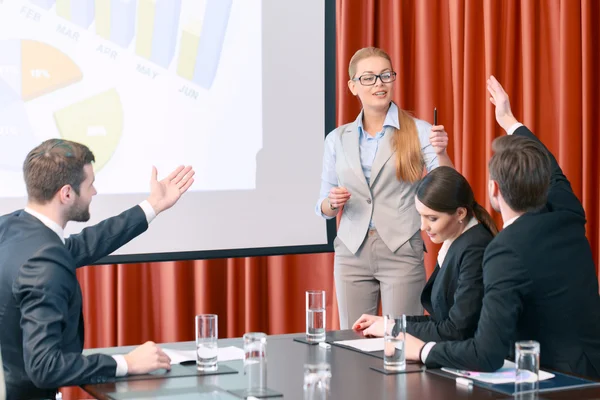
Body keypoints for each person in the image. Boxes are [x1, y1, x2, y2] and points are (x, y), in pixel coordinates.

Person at [402, 76, 600, 378]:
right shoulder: (568, 213)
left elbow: (487, 353)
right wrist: (509, 120)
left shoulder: (504, 250)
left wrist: (420, 350)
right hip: (592, 365)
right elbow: (552, 168)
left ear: (494, 190)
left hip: (553, 378)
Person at [0, 139, 195, 399]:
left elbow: (82, 246)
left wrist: (153, 206)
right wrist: (126, 364)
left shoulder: (11, 229)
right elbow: (44, 367)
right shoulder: (44, 261)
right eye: (90, 184)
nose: (94, 192)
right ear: (66, 193)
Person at [316, 47, 454, 329]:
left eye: (385, 75)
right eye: (368, 78)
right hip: (351, 252)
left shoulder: (419, 130)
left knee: (401, 342)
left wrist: (441, 152)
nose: (379, 83)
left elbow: (448, 186)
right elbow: (323, 207)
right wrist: (333, 202)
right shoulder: (337, 139)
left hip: (401, 248)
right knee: (352, 342)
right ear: (352, 86)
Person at [352, 166, 497, 341]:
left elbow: (457, 330)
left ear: (460, 213)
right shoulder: (457, 241)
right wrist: (389, 322)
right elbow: (441, 321)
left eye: (432, 218)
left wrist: (393, 328)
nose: (423, 227)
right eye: (421, 216)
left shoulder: (475, 248)